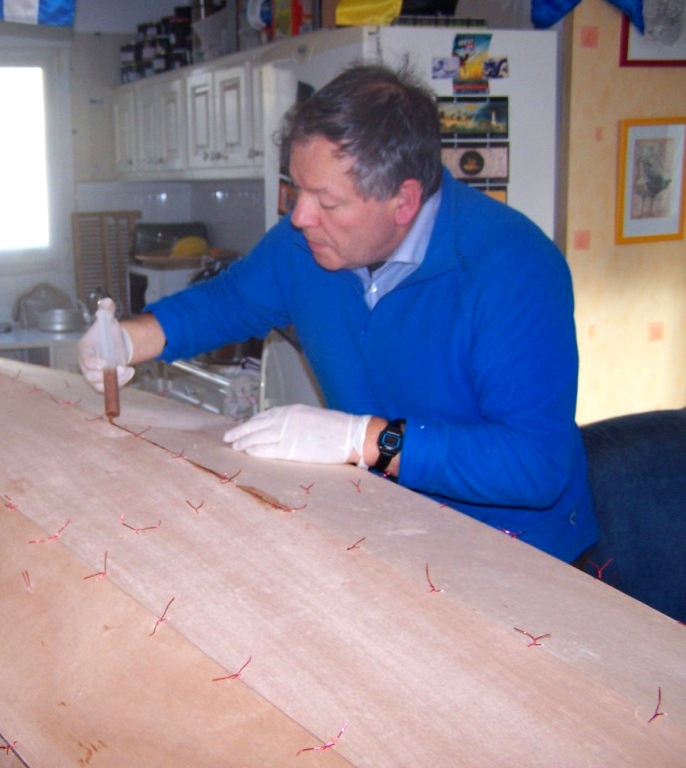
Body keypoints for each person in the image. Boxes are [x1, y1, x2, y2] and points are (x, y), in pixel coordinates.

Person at [79, 61, 597, 563]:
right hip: (390, 526)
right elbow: (229, 301)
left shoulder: (512, 268)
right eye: (297, 188)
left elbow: (535, 464)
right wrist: (129, 339)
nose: (299, 216)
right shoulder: (304, 243)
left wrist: (362, 439)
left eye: (326, 202)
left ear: (403, 202)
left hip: (515, 556)